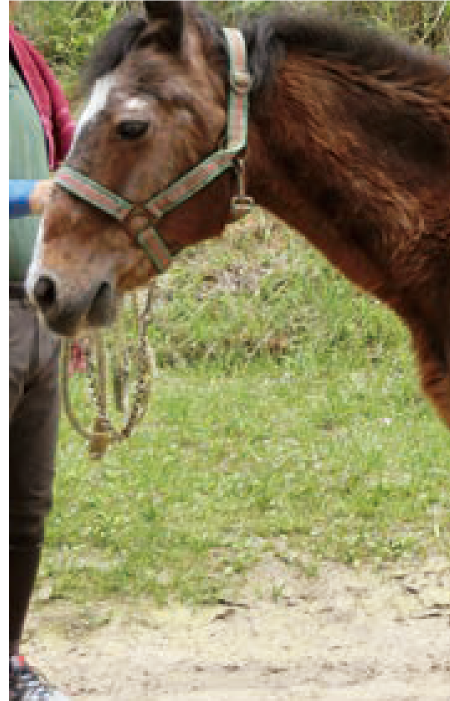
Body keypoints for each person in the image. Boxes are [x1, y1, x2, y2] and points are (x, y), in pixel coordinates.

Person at [10, 6, 76, 699]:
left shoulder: (23, 63)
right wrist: (31, 195)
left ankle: (10, 656)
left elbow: (67, 155)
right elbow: (46, 186)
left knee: (27, 506)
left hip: (34, 311)